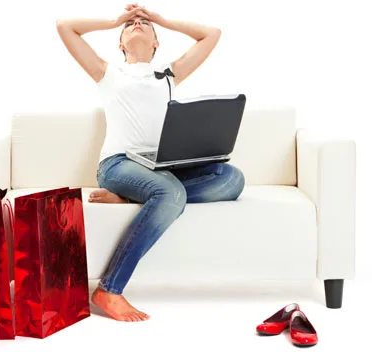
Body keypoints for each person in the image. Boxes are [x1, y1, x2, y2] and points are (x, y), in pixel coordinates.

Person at [56, 3, 245, 322]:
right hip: (119, 165)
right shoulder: (107, 72)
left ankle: (135, 197)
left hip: (161, 169)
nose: (136, 24)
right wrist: (114, 20)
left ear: (156, 42)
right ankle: (109, 290)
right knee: (171, 194)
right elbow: (65, 26)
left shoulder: (168, 74)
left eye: (144, 24)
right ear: (120, 43)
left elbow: (212, 34)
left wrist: (162, 19)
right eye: (130, 25)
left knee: (231, 178)